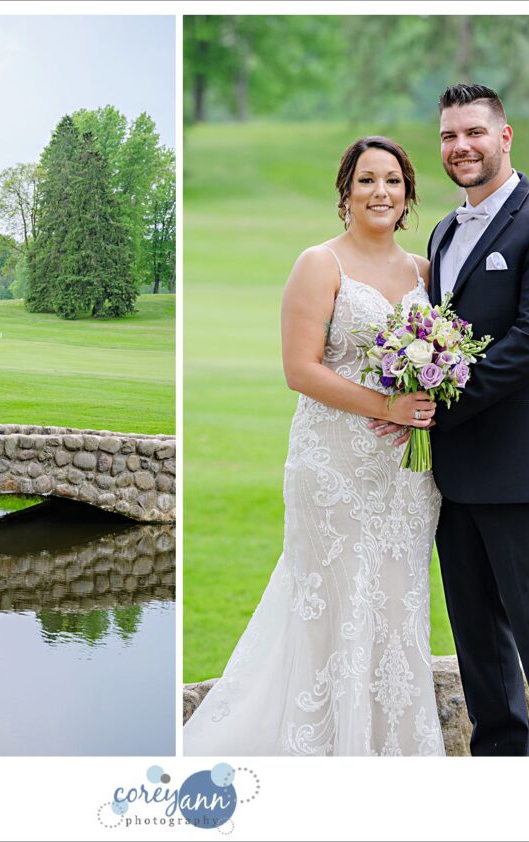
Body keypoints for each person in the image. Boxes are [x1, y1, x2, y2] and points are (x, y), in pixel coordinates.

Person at [184, 137, 445, 756]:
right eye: (366, 181)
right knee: (331, 602)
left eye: (392, 181)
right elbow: (300, 369)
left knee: (395, 602)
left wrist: (429, 397)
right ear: (345, 192)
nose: (379, 192)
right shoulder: (319, 263)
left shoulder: (424, 273)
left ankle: (392, 749)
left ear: (408, 194)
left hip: (405, 476)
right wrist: (389, 406)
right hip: (333, 467)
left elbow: (439, 360)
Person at [374, 83, 529, 756]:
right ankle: (499, 768)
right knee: (478, 636)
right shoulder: (444, 231)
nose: (460, 146)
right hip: (455, 476)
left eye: (473, 132)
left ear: (505, 137)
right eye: (448, 135)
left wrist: (438, 405)